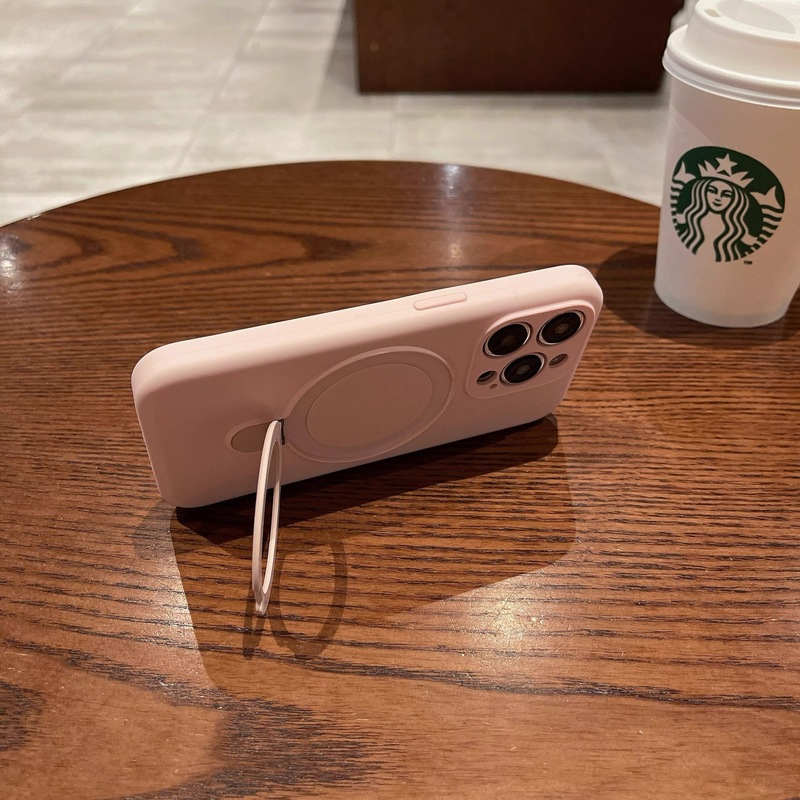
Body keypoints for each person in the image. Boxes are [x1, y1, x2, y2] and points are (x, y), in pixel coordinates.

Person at [675, 177, 757, 262]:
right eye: (712, 191)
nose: (718, 197)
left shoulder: (738, 227)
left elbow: (751, 242)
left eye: (726, 195)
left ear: (735, 200)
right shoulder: (690, 215)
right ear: (702, 191)